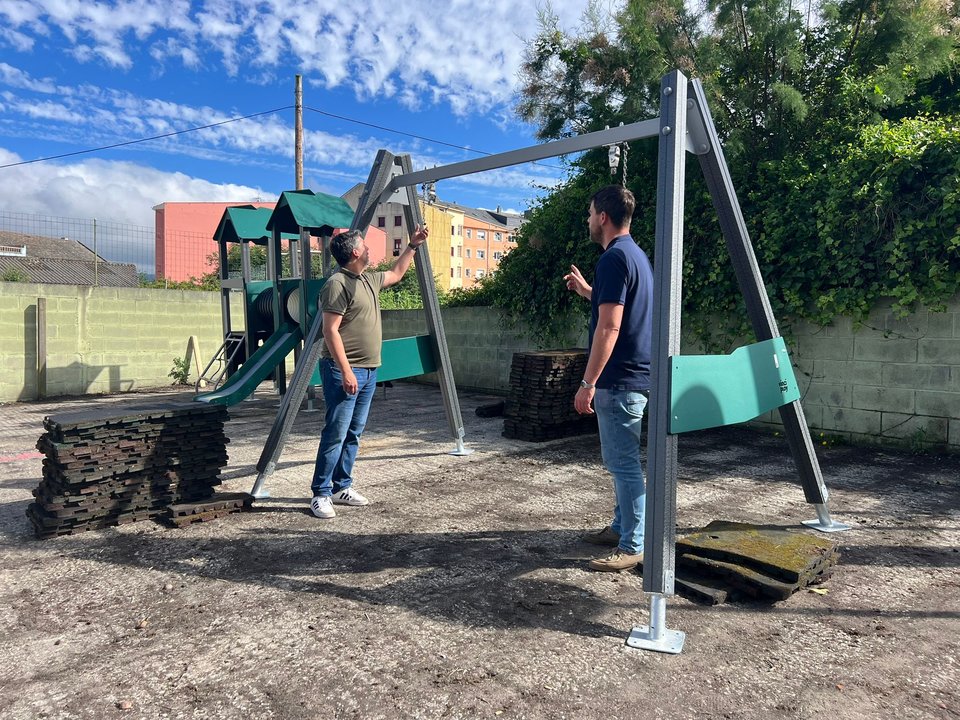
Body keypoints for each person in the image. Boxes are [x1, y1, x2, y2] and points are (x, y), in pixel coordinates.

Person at [310, 224, 428, 519]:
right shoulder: (337, 284)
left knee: (353, 433)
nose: (369, 250)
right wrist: (346, 371)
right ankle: (321, 493)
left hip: (370, 370)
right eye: (364, 246)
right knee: (335, 433)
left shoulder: (368, 279)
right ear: (354, 253)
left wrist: (412, 246)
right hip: (345, 372)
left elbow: (397, 273)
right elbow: (330, 331)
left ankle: (342, 486)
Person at [563, 185, 653, 571]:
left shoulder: (613, 259)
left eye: (589, 213)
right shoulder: (634, 256)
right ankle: (620, 528)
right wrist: (588, 291)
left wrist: (587, 383)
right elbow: (618, 308)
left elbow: (609, 328)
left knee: (624, 464)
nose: (587, 219)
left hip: (619, 381)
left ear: (602, 216)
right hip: (633, 378)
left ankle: (633, 546)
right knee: (621, 461)